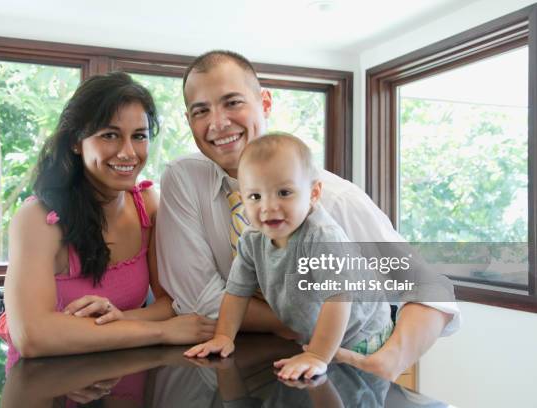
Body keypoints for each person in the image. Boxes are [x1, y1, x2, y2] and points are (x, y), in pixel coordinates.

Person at [156, 50, 461, 380]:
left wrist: (391, 359)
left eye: (232, 103)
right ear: (189, 121)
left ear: (265, 103)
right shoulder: (184, 179)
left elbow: (431, 290)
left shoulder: (335, 202)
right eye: (202, 111)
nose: (217, 123)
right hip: (257, 368)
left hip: (349, 355)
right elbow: (198, 300)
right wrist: (291, 321)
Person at [0, 71, 215, 358]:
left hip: (122, 375)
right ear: (77, 141)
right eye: (110, 135)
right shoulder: (39, 219)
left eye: (139, 136)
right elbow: (32, 335)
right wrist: (163, 331)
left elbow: (171, 303)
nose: (128, 152)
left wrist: (119, 320)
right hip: (45, 385)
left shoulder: (148, 205)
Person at [185, 134, 393, 381]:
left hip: (360, 335)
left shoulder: (321, 237)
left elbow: (339, 298)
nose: (269, 207)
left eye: (284, 193)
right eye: (255, 196)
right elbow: (236, 291)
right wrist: (224, 336)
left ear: (314, 193)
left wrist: (317, 354)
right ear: (242, 200)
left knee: (352, 394)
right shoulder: (253, 238)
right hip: (318, 336)